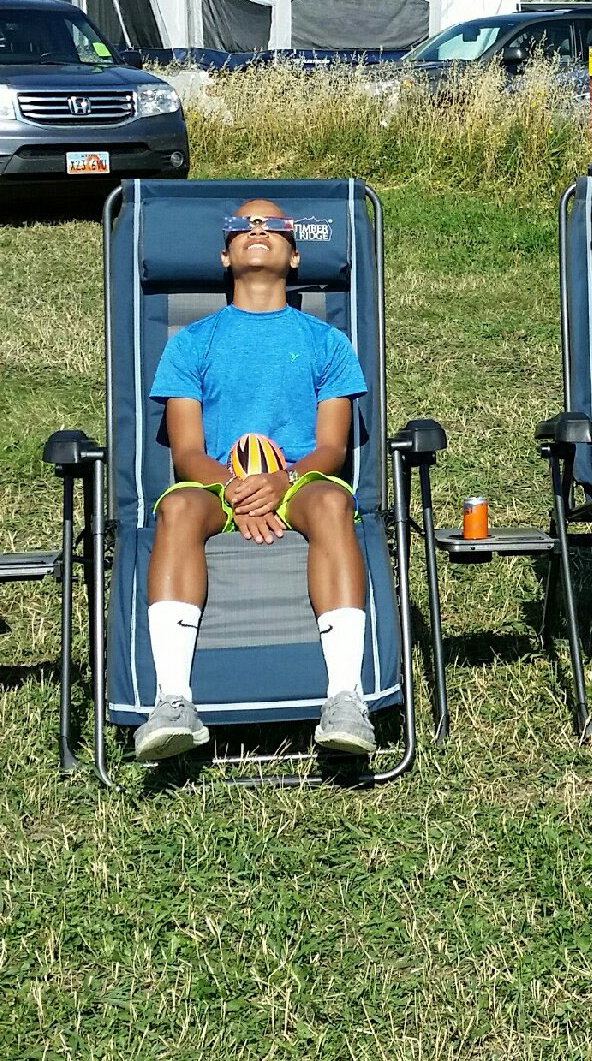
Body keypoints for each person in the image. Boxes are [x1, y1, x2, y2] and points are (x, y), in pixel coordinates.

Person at [137, 200, 376, 762]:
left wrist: (281, 480)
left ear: (294, 257)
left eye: (273, 226)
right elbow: (187, 451)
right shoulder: (192, 342)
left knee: (332, 506)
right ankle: (173, 701)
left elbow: (332, 448)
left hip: (297, 478)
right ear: (226, 255)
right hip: (216, 483)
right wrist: (238, 489)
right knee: (176, 510)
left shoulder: (326, 342)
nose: (259, 229)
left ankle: (345, 698)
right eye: (244, 226)